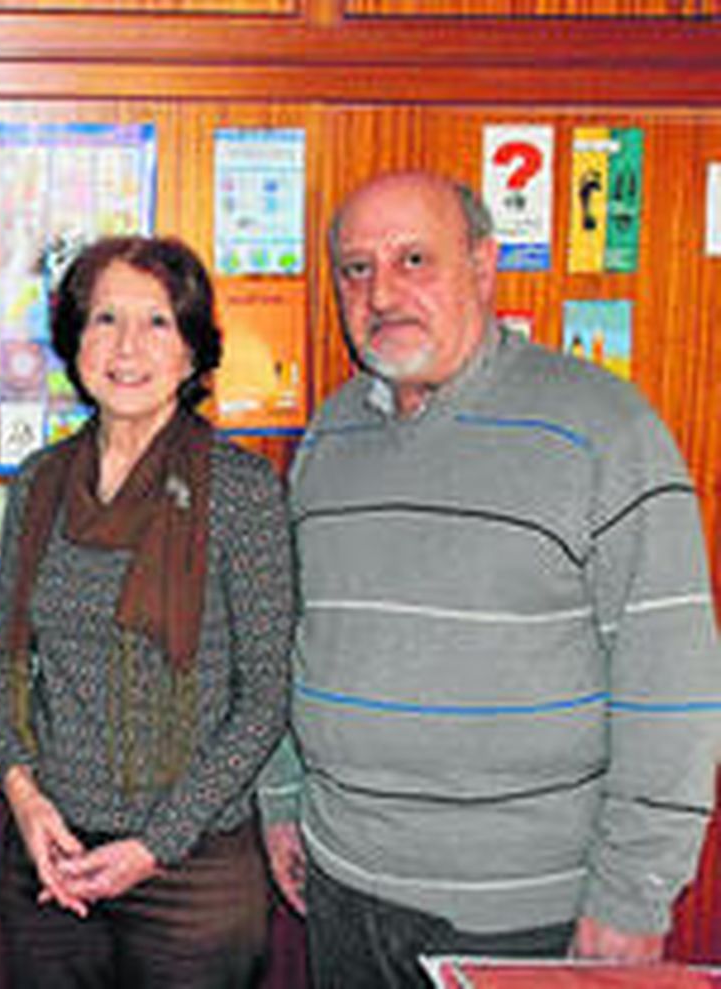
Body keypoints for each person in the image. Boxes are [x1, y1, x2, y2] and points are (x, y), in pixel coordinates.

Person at [258, 171, 721, 987]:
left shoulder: (604, 428)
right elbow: (297, 639)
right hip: (343, 888)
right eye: (356, 268)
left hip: (527, 917)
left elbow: (672, 686)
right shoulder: (330, 434)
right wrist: (285, 795)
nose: (382, 292)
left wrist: (635, 892)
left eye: (413, 259)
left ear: (482, 266)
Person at [0, 235, 294, 987]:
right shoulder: (40, 482)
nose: (127, 346)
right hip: (51, 855)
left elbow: (265, 696)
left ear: (191, 351)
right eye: (104, 318)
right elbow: (1, 661)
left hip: (192, 873)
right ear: (74, 341)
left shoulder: (241, 492)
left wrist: (155, 842)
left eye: (157, 322)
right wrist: (24, 799)